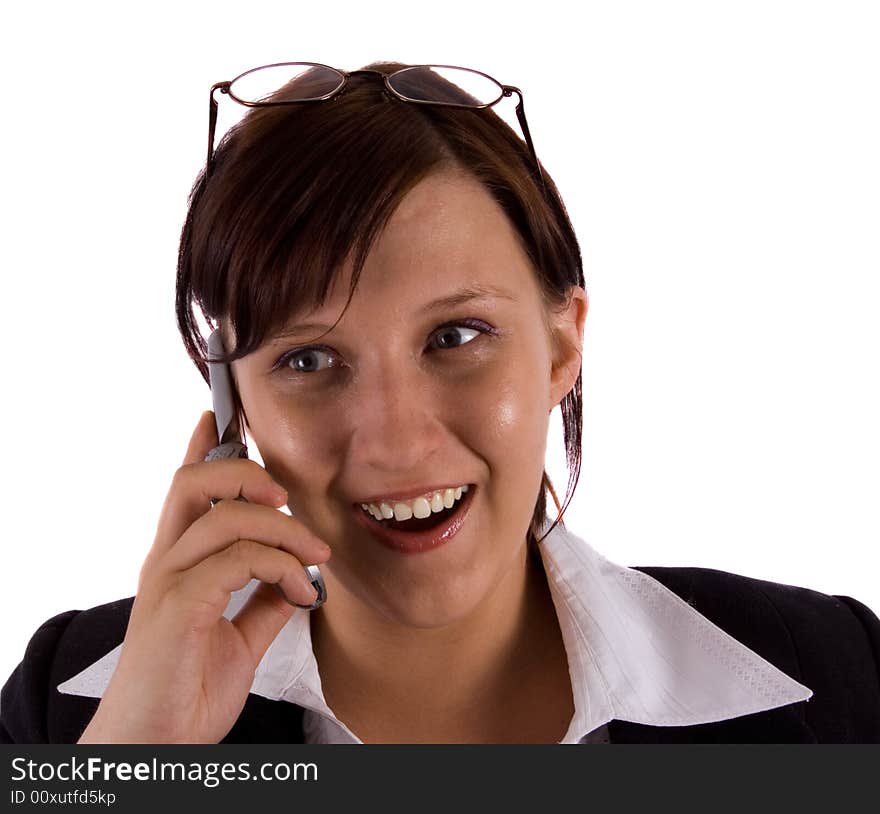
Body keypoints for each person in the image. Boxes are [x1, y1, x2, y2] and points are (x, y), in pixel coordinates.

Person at [2, 61, 878, 744]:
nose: (395, 442)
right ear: (231, 401)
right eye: (308, 358)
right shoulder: (72, 705)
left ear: (562, 345)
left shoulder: (840, 678)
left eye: (455, 337)